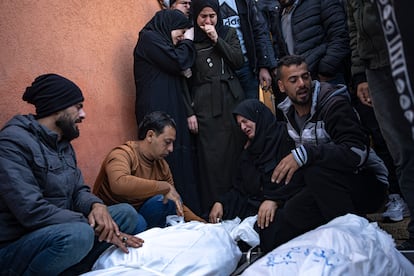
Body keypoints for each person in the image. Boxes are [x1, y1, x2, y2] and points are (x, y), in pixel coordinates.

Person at [0, 74, 144, 275]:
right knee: (79, 234)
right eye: (78, 106)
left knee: (125, 214)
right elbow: (31, 210)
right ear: (58, 106)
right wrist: (90, 224)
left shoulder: (63, 144)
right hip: (19, 244)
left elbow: (78, 190)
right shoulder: (12, 143)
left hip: (64, 228)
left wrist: (97, 206)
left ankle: (73, 268)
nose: (83, 114)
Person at [258, 55, 387, 252]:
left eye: (305, 77)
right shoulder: (288, 115)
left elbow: (357, 153)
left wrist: (308, 153)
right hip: (326, 187)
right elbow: (289, 167)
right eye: (293, 80)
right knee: (291, 214)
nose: (302, 84)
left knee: (314, 171)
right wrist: (274, 199)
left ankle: (357, 243)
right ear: (282, 87)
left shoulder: (333, 104)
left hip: (368, 184)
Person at [346, 0, 414, 250]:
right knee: (401, 151)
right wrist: (360, 74)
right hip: (375, 68)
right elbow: (354, 28)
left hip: (406, 56)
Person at [133, 9, 201, 213]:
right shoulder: (149, 39)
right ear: (169, 25)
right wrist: (189, 41)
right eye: (179, 34)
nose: (181, 39)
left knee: (179, 162)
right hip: (156, 115)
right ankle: (171, 213)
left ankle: (184, 212)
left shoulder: (159, 41)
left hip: (170, 111)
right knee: (164, 162)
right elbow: (179, 61)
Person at [93, 111, 205, 233]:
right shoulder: (123, 154)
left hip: (143, 215)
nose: (171, 149)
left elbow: (176, 200)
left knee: (167, 202)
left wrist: (202, 224)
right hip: (114, 218)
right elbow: (119, 183)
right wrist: (163, 187)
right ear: (150, 136)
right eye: (167, 142)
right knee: (137, 219)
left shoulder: (162, 166)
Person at [185, 0, 246, 214]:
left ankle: (238, 205)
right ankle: (215, 207)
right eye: (203, 16)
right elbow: (184, 79)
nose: (208, 21)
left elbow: (238, 61)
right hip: (204, 106)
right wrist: (189, 111)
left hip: (230, 100)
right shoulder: (189, 38)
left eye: (212, 16)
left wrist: (216, 39)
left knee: (235, 153)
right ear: (195, 16)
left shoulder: (227, 33)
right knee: (211, 158)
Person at [208, 99, 303, 227]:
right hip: (257, 208)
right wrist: (221, 203)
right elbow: (241, 189)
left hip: (284, 205)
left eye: (245, 121)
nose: (242, 127)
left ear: (256, 116)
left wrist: (275, 200)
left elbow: (299, 179)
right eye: (239, 124)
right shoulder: (249, 152)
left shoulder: (285, 137)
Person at [218, 0, 276, 99]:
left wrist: (263, 66)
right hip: (222, 67)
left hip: (247, 66)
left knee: (251, 110)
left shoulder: (245, 2)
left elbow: (259, 32)